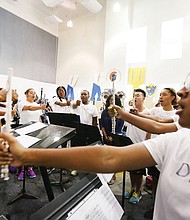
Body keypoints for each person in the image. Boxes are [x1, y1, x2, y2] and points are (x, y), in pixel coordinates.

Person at [1, 75, 190, 220]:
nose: (181, 93)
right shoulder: (178, 139)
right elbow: (108, 157)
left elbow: (157, 124)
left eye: (188, 90)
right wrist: (26, 155)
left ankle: (136, 190)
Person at [124, 89, 150, 204]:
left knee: (139, 171)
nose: (135, 97)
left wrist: (147, 142)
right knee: (131, 169)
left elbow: (150, 129)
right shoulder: (129, 111)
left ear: (143, 98)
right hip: (130, 144)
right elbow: (126, 126)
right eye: (134, 95)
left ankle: (138, 191)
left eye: (138, 95)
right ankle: (133, 188)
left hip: (141, 145)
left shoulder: (148, 112)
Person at [17, 88, 47, 180]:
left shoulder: (37, 104)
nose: (33, 94)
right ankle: (22, 170)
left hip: (35, 129)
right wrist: (41, 107)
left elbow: (39, 118)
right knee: (23, 150)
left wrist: (42, 126)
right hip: (24, 129)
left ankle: (29, 168)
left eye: (34, 93)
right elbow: (29, 108)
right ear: (26, 94)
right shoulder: (22, 103)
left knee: (31, 150)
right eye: (31, 93)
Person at [100, 94, 124, 185]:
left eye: (113, 100)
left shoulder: (120, 113)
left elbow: (120, 126)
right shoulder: (104, 112)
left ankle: (113, 175)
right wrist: (105, 136)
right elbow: (102, 125)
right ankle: (106, 174)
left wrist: (113, 136)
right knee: (106, 157)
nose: (111, 102)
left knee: (114, 157)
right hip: (106, 137)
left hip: (116, 136)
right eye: (110, 100)